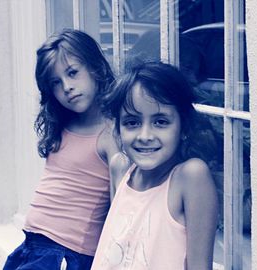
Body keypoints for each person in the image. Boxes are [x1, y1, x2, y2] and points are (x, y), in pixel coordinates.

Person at [3, 28, 127, 270]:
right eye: (56, 83)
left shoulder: (110, 134)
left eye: (73, 73)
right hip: (33, 246)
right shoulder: (65, 124)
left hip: (66, 253)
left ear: (96, 69)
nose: (67, 87)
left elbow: (121, 207)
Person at [91, 61, 219, 270]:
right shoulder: (120, 169)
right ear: (118, 128)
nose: (145, 136)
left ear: (184, 126)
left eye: (160, 122)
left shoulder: (189, 177)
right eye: (132, 122)